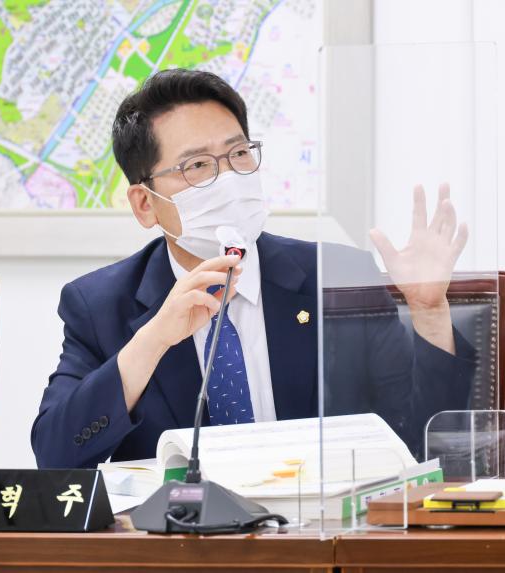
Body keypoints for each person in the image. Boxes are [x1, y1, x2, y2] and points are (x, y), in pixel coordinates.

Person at [32, 69, 475, 469]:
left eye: (239, 154)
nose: (230, 178)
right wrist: (153, 340)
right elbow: (55, 454)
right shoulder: (100, 305)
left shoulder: (337, 276)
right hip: (179, 533)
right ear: (145, 204)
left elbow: (421, 440)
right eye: (198, 165)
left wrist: (430, 311)